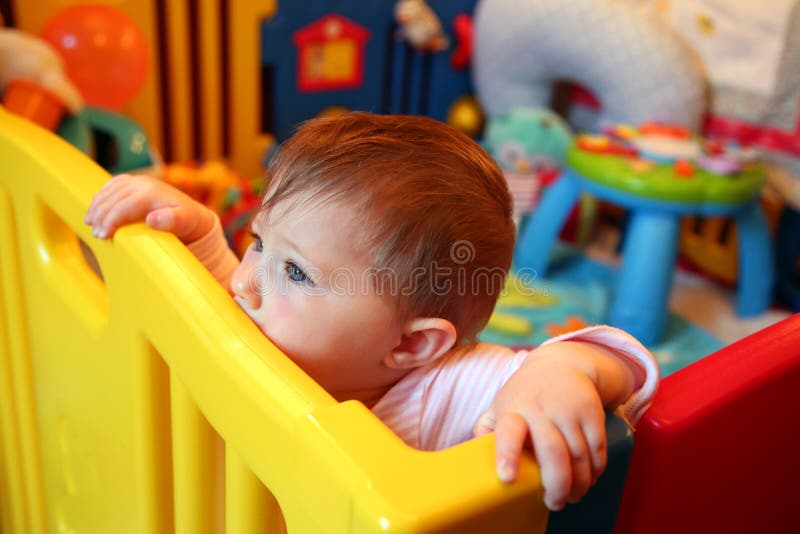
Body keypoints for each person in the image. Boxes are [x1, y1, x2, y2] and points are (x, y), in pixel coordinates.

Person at [85, 113, 658, 512]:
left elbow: (621, 371)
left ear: (409, 346)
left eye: (296, 271)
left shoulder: (442, 388)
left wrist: (559, 372)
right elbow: (220, 308)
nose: (248, 282)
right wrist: (201, 235)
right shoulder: (268, 315)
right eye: (260, 241)